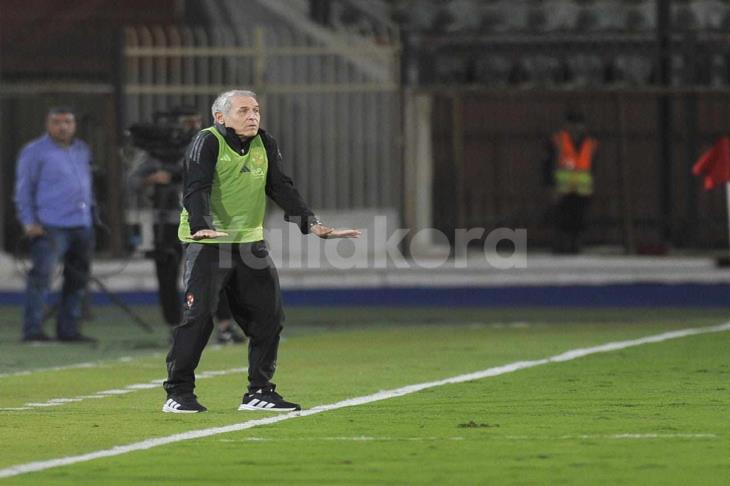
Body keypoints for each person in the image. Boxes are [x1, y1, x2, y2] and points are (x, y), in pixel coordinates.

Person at [162, 90, 361, 413]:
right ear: (220, 117)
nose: (253, 116)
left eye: (256, 110)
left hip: (250, 244)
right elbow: (195, 186)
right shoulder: (207, 141)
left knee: (269, 318)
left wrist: (312, 223)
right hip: (208, 243)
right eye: (243, 110)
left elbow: (280, 186)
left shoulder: (264, 143)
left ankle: (259, 392)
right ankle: (178, 392)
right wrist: (200, 224)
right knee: (199, 318)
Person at [126, 108, 243, 344]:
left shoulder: (208, 146)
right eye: (188, 122)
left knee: (215, 273)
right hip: (166, 223)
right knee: (168, 276)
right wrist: (153, 179)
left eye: (197, 122)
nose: (193, 127)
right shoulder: (154, 153)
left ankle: (225, 326)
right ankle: (175, 327)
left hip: (202, 221)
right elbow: (131, 183)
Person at [14, 107, 96, 343]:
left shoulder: (81, 149)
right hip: (50, 225)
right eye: (57, 122)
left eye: (67, 122)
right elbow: (23, 189)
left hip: (81, 224)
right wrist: (28, 221)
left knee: (77, 280)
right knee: (42, 277)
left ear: (74, 125)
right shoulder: (34, 151)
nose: (63, 127)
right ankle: (32, 330)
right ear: (47, 124)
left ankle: (68, 329)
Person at [544, 110, 598, 254]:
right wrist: (550, 186)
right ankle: (562, 247)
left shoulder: (590, 143)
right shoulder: (558, 140)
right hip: (563, 190)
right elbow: (548, 165)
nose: (576, 128)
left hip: (582, 190)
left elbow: (593, 166)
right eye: (573, 124)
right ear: (567, 125)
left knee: (579, 221)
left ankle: (576, 247)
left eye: (579, 124)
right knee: (562, 221)